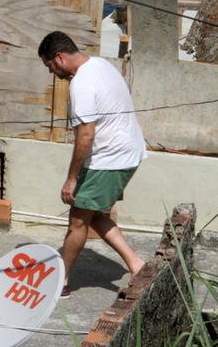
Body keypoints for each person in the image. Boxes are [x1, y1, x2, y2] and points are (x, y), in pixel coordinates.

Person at [37, 31, 146, 297]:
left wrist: (72, 178)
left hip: (109, 159)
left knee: (77, 221)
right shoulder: (100, 64)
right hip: (126, 152)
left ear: (60, 58)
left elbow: (86, 135)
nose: (52, 73)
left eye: (50, 66)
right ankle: (137, 264)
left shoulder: (81, 84)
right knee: (94, 214)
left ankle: (61, 282)